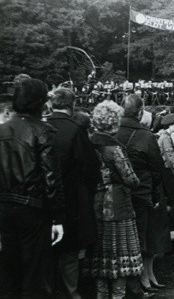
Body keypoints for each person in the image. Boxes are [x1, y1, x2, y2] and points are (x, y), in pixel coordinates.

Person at [0, 78, 65, 298]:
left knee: (9, 271)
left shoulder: (3, 131)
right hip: (33, 209)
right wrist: (57, 218)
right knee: (35, 275)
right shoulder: (43, 131)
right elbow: (51, 179)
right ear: (39, 102)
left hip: (5, 208)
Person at [46, 88, 100, 299]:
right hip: (72, 199)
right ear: (72, 105)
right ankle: (71, 293)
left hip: (44, 197)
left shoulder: (41, 126)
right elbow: (91, 168)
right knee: (69, 252)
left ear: (51, 104)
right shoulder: (75, 130)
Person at [87, 101, 143, 299]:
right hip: (118, 205)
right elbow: (130, 178)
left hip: (95, 203)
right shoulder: (114, 149)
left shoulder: (88, 143)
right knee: (121, 256)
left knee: (100, 257)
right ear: (114, 122)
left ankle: (101, 296)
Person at [115, 94, 168, 296]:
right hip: (142, 192)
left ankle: (136, 282)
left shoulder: (112, 132)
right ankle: (138, 284)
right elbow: (157, 168)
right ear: (140, 112)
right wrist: (155, 194)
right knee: (141, 238)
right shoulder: (146, 136)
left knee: (125, 240)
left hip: (118, 194)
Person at [158, 114, 174, 230]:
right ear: (171, 125)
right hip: (169, 172)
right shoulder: (166, 138)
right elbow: (170, 156)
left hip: (167, 172)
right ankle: (173, 226)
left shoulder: (164, 136)